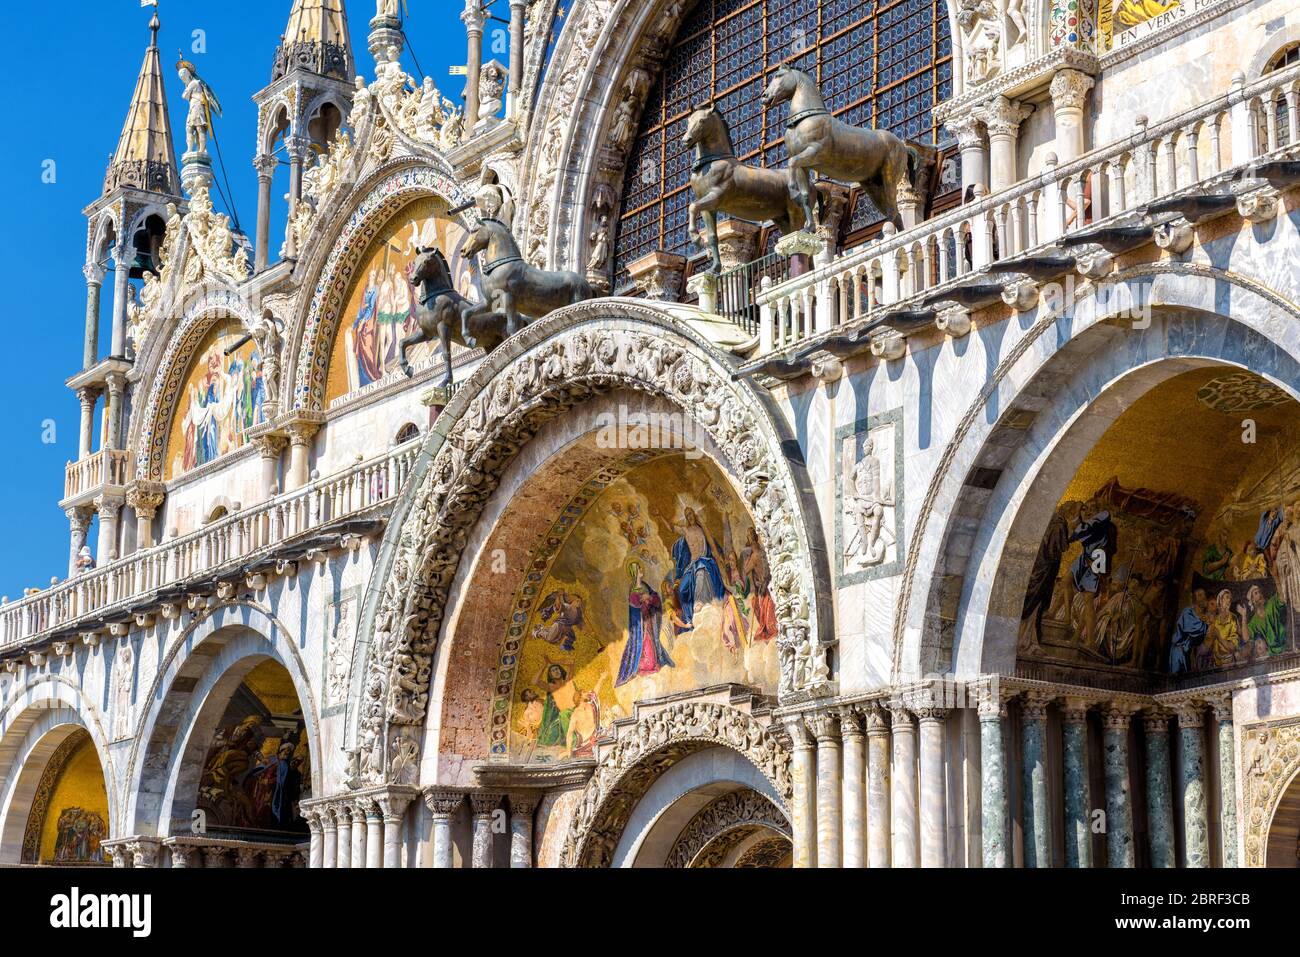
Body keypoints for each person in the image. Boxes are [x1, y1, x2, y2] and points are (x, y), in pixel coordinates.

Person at [617, 561, 674, 686]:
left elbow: (656, 598)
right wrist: (641, 600)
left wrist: (649, 597)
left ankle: (651, 662)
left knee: (651, 642)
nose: (641, 569)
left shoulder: (645, 585)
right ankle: (641, 664)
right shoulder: (633, 588)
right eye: (638, 568)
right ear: (635, 572)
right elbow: (633, 607)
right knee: (643, 643)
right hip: (640, 623)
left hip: (649, 620)